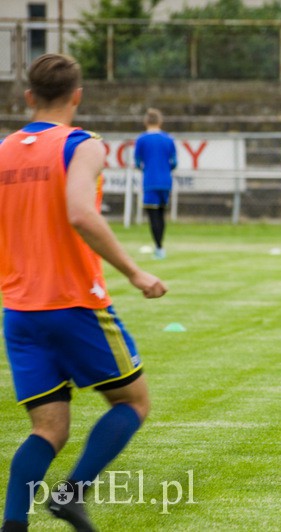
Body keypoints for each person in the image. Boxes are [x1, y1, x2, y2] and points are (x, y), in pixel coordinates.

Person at [0, 54, 168, 532]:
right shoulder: (83, 145)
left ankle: (13, 526)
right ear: (77, 96)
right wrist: (135, 273)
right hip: (73, 302)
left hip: (20, 312)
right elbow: (79, 212)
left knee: (47, 430)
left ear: (28, 97)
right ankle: (71, 496)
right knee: (132, 402)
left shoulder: (4, 149)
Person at [134, 107, 177, 260]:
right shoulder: (169, 139)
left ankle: (159, 248)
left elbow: (137, 162)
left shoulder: (141, 140)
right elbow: (174, 163)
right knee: (161, 214)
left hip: (150, 181)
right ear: (160, 121)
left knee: (153, 216)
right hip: (166, 181)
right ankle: (160, 246)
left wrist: (147, 168)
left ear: (146, 122)